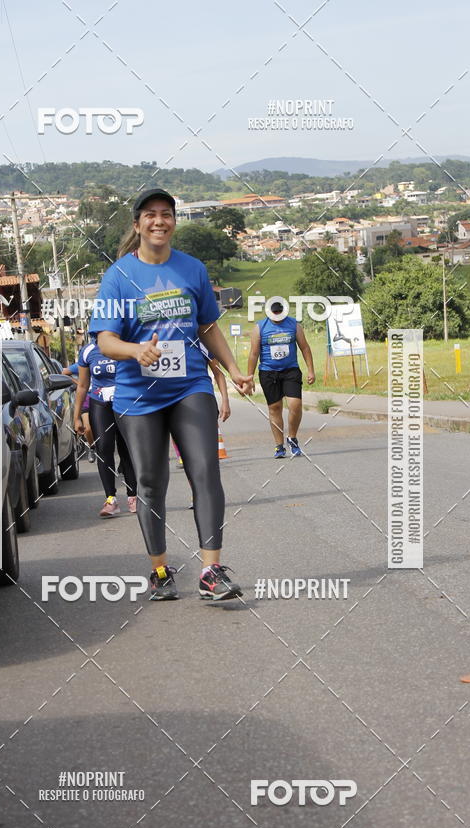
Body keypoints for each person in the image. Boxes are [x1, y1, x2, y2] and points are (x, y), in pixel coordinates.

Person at [89, 187, 253, 602]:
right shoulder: (118, 276)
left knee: (205, 471)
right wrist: (134, 349)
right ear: (137, 224)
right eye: (150, 214)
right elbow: (105, 340)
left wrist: (233, 370)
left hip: (189, 386)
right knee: (149, 482)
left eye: (166, 214)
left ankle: (211, 571)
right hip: (137, 394)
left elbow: (208, 327)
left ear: (174, 222)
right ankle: (160, 571)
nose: (159, 221)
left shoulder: (192, 269)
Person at [73, 335, 138, 516]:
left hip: (125, 401)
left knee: (126, 448)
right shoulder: (87, 351)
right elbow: (82, 385)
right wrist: (76, 416)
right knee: (104, 448)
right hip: (100, 403)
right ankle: (111, 499)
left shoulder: (125, 345)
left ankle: (133, 496)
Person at [247, 300, 315, 458]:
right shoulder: (259, 328)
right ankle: (279, 446)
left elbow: (304, 347)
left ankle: (292, 438)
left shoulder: (294, 325)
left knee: (295, 405)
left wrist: (310, 370)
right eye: (275, 314)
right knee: (275, 408)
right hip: (268, 372)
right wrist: (249, 378)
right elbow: (253, 354)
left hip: (290, 370)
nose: (278, 317)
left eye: (280, 313)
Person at [63, 358, 95, 462]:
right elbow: (64, 373)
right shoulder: (83, 364)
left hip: (103, 398)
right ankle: (92, 448)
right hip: (86, 399)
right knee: (88, 428)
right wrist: (78, 383)